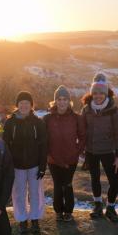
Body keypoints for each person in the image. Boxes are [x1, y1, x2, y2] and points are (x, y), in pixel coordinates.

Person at [80, 72, 118, 222]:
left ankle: (110, 207)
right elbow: (82, 130)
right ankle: (98, 205)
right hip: (91, 151)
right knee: (95, 179)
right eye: (95, 93)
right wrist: (82, 149)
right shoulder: (86, 110)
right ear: (92, 93)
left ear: (106, 93)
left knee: (114, 180)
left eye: (101, 92)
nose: (98, 95)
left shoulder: (114, 110)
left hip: (109, 151)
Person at [3, 91, 47, 234]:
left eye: (27, 103)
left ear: (31, 105)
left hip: (34, 165)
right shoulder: (10, 123)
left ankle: (35, 220)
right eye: (21, 103)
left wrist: (42, 166)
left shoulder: (38, 123)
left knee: (36, 193)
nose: (24, 105)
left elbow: (43, 145)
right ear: (17, 105)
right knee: (18, 193)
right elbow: (6, 145)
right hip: (17, 166)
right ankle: (22, 220)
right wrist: (8, 166)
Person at [43, 85, 86, 222]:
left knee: (67, 184)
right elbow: (43, 139)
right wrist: (48, 153)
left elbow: (83, 137)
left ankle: (68, 211)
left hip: (70, 159)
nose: (62, 102)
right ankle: (58, 211)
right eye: (59, 99)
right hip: (53, 159)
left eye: (65, 99)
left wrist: (76, 152)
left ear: (69, 101)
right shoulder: (47, 118)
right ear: (55, 101)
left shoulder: (76, 118)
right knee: (57, 185)